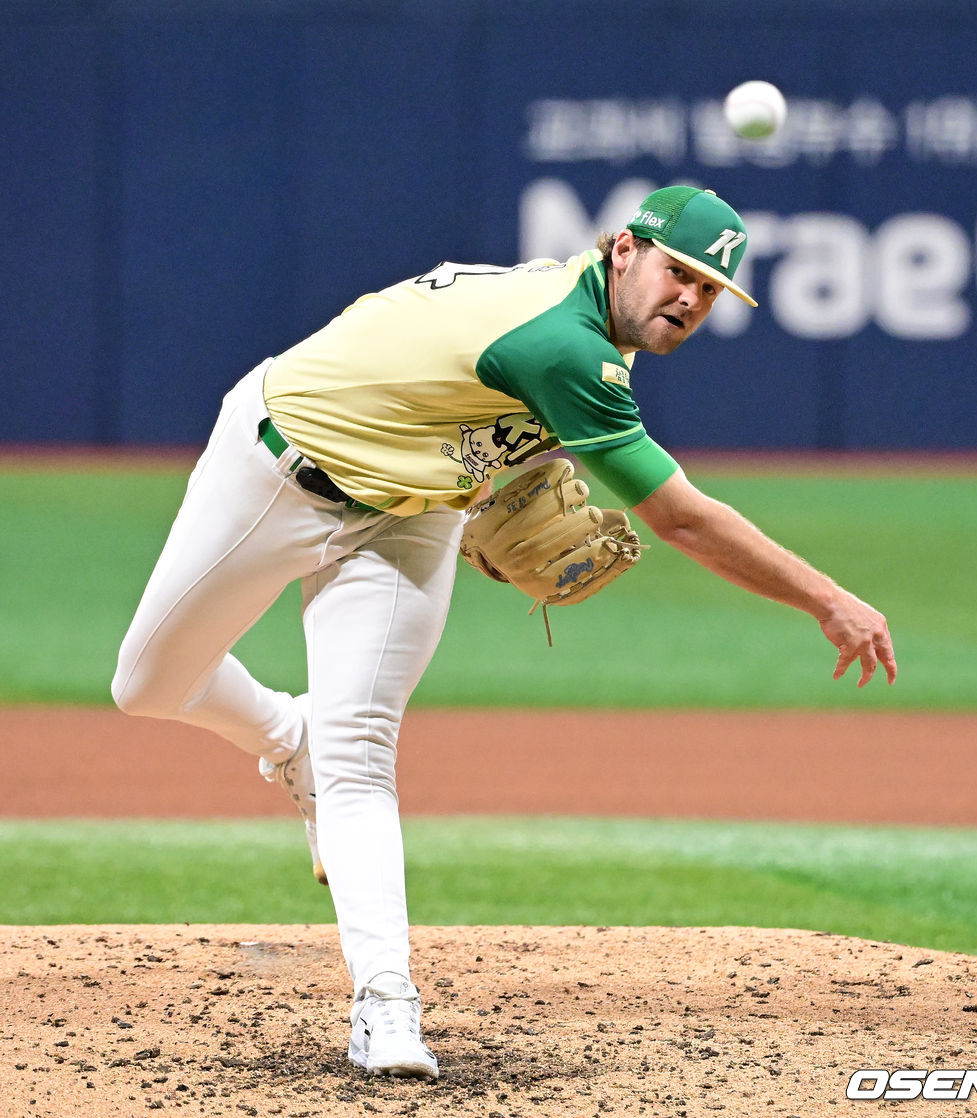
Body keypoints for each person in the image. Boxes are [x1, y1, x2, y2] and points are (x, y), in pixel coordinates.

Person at [112, 184, 897, 1081]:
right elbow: (680, 519)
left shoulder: (592, 328)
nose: (690, 298)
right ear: (624, 250)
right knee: (146, 685)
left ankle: (386, 1005)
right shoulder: (563, 340)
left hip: (412, 509)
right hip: (278, 471)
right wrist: (828, 600)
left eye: (711, 290)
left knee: (360, 748)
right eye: (679, 272)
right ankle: (292, 740)